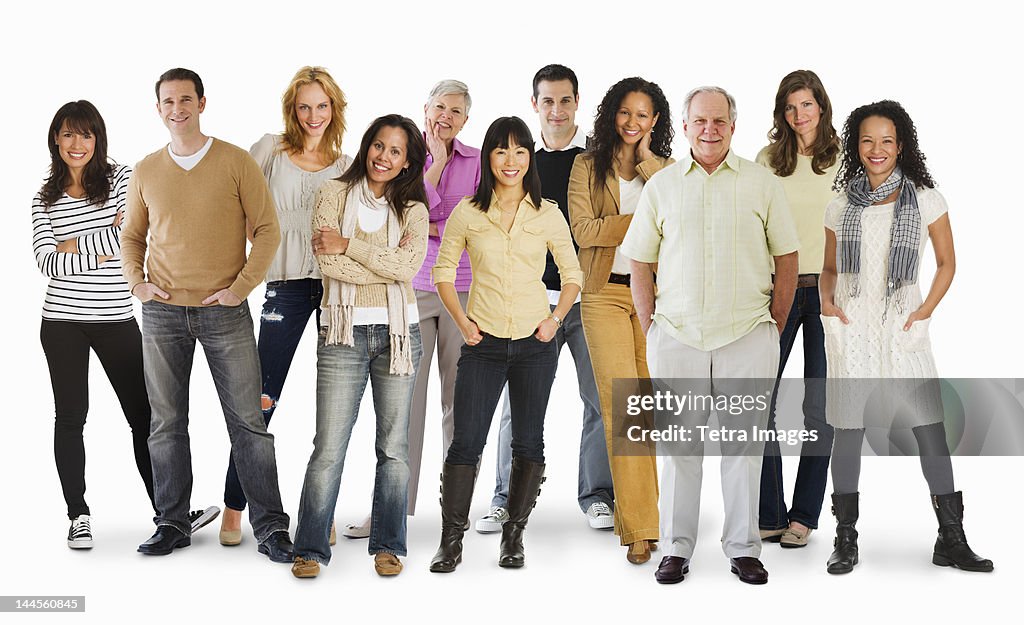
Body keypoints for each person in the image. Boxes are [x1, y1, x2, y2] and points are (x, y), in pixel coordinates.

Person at [623, 86, 799, 585]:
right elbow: (640, 258)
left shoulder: (761, 183)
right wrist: (649, 322)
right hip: (676, 335)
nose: (709, 129)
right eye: (700, 120)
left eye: (719, 121)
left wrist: (775, 323)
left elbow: (788, 257)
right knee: (680, 448)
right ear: (684, 126)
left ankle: (743, 548)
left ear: (732, 126)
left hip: (747, 332)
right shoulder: (663, 187)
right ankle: (676, 547)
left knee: (743, 448)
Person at [121, 68, 293, 561]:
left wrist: (239, 289)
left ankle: (271, 527)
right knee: (166, 422)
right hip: (162, 314)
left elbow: (266, 231)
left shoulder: (236, 162)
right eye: (168, 101)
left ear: (202, 103)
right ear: (159, 109)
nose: (177, 109)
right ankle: (172, 521)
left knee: (248, 422)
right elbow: (133, 236)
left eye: (186, 100)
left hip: (224, 312)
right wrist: (139, 284)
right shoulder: (146, 170)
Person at [34, 101, 218, 550]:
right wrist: (99, 247)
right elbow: (46, 262)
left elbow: (130, 234)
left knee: (146, 418)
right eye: (68, 134)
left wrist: (74, 243)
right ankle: (78, 516)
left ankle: (170, 514)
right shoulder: (44, 198)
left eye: (86, 135)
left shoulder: (121, 179)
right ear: (56, 139)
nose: (77, 144)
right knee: (71, 418)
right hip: (61, 323)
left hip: (116, 318)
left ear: (98, 139)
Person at [820, 100, 993, 574]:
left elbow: (946, 263)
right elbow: (830, 268)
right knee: (848, 429)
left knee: (930, 428)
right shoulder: (840, 205)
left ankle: (951, 539)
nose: (877, 150)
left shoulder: (925, 198)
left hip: (902, 323)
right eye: (867, 140)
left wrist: (924, 310)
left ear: (901, 146)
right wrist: (827, 305)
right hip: (852, 325)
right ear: (857, 146)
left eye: (887, 141)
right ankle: (845, 539)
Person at [428, 116, 583, 572]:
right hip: (484, 341)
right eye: (500, 151)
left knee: (528, 442)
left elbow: (572, 275)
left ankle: (514, 535)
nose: (510, 161)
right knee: (465, 445)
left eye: (519, 151)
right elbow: (441, 271)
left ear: (529, 156)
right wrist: (462, 323)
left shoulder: (548, 213)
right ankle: (450, 541)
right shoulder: (468, 213)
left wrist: (555, 321)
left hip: (536, 343)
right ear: (489, 157)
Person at [289, 115, 429, 579]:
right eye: (379, 146)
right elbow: (328, 264)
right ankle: (309, 547)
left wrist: (351, 244)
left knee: (394, 448)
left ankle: (388, 545)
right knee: (328, 446)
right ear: (367, 145)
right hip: (343, 333)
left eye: (395, 151)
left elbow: (408, 268)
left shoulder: (413, 209)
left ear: (407, 162)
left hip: (398, 335)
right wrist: (381, 265)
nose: (383, 157)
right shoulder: (333, 193)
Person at [477, 64, 614, 534]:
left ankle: (598, 496)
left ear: (577, 103)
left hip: (590, 298)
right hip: (532, 303)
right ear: (534, 104)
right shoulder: (518, 161)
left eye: (566, 100)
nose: (557, 110)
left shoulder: (598, 161)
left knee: (600, 400)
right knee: (518, 404)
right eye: (548, 101)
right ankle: (505, 498)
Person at [219, 66, 351, 547]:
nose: (313, 115)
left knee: (333, 408)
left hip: (337, 292)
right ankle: (235, 506)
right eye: (304, 106)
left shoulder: (346, 166)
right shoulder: (269, 151)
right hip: (285, 288)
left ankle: (320, 511)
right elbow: (235, 206)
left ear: (333, 109)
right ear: (292, 110)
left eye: (322, 105)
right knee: (260, 401)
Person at [343, 80, 479, 539]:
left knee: (458, 404)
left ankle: (453, 511)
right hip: (411, 289)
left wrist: (431, 220)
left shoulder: (480, 162)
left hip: (463, 292)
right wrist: (434, 170)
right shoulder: (401, 156)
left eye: (455, 111)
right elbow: (401, 215)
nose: (446, 116)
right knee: (402, 405)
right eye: (440, 106)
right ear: (426, 109)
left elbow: (471, 223)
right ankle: (391, 511)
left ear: (465, 119)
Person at [567, 76, 673, 562]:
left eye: (643, 115)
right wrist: (642, 220)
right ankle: (638, 530)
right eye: (625, 112)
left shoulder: (666, 170)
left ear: (655, 122)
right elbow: (584, 232)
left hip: (655, 300)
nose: (632, 122)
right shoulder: (586, 165)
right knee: (622, 408)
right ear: (612, 114)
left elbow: (677, 220)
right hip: (603, 297)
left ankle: (647, 519)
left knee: (647, 411)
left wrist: (651, 168)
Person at [754, 70, 840, 548]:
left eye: (806, 105)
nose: (799, 115)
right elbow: (754, 225)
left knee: (819, 408)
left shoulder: (843, 160)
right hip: (780, 289)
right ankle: (770, 512)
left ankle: (804, 515)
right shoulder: (769, 160)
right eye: (790, 107)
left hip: (829, 293)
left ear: (821, 107)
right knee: (759, 400)